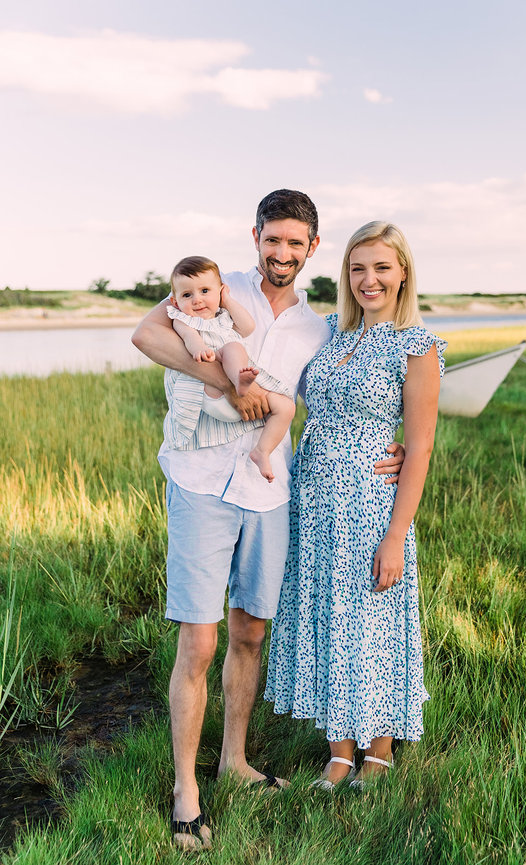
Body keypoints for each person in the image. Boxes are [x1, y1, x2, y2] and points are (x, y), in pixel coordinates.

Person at [131, 192, 405, 851]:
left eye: (295, 243)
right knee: (198, 644)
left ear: (312, 248)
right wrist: (230, 385)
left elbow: (336, 401)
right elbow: (145, 334)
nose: (281, 253)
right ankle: (184, 792)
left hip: (267, 489)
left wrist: (389, 448)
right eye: (271, 239)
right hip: (200, 481)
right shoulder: (212, 291)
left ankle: (233, 760)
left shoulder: (319, 330)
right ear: (254, 236)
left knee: (249, 632)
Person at [265, 221, 447, 790]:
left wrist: (396, 535)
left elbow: (418, 447)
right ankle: (340, 749)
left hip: (370, 504)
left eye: (382, 268)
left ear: (403, 274)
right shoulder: (328, 334)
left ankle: (380, 746)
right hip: (314, 501)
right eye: (358, 268)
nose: (369, 280)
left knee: (371, 616)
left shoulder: (416, 345)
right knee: (329, 617)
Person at [165, 254, 295, 482]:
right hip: (210, 388)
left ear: (221, 291)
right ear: (175, 302)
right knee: (232, 347)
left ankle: (262, 451)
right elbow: (188, 338)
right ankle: (238, 381)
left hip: (237, 405)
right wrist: (199, 349)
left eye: (205, 291)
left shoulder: (224, 317)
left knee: (286, 407)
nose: (197, 300)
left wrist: (228, 301)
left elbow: (248, 327)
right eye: (187, 295)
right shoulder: (183, 320)